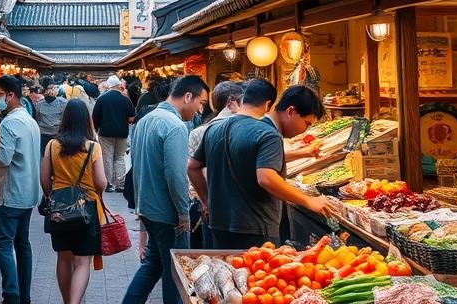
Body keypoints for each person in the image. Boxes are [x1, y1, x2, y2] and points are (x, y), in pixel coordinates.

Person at [188, 79, 333, 248]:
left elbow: (192, 167)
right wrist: (308, 200)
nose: (305, 130)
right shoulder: (268, 134)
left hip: (219, 226)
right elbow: (266, 177)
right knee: (254, 274)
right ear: (291, 111)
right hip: (254, 229)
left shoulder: (214, 128)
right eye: (307, 123)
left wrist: (207, 202)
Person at [123, 75, 209, 304]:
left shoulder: (146, 119)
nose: (201, 109)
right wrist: (183, 213)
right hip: (167, 212)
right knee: (176, 275)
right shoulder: (175, 126)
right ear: (187, 96)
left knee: (153, 265)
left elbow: (137, 166)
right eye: (200, 102)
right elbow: (175, 175)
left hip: (148, 207)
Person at [41, 99, 108, 304]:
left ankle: (66, 300)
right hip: (87, 210)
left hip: (59, 210)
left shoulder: (52, 145)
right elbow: (102, 182)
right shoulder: (92, 148)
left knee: (63, 257)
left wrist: (54, 196)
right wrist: (93, 192)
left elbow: (44, 179)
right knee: (82, 262)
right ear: (86, 120)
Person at [0, 75, 42, 304]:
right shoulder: (29, 120)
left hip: (11, 193)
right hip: (29, 193)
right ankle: (23, 295)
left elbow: (4, 158)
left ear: (10, 95)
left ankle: (11, 295)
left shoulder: (9, 122)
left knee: (3, 243)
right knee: (22, 244)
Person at [186, 81, 243, 248]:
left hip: (207, 203)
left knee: (211, 252)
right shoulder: (247, 127)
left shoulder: (200, 131)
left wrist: (204, 200)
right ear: (232, 102)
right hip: (235, 208)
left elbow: (192, 171)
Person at [91, 76, 135, 192]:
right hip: (122, 133)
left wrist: (96, 129)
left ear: (109, 85)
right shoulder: (125, 99)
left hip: (105, 133)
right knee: (119, 157)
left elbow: (95, 116)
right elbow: (131, 118)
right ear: (118, 85)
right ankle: (121, 184)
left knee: (107, 157)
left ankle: (109, 184)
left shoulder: (102, 98)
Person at [33, 83, 68, 154]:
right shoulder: (39, 104)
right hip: (47, 135)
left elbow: (37, 118)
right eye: (48, 90)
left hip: (55, 135)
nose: (50, 92)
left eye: (52, 89)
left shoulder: (63, 103)